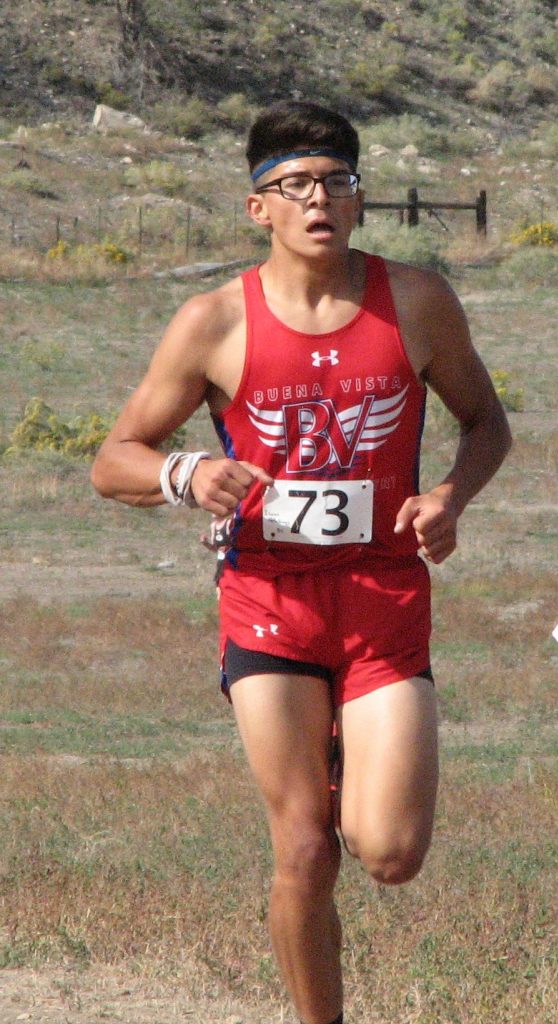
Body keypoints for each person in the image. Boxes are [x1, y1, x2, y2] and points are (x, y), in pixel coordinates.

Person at [91, 100, 512, 1024]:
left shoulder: (417, 301)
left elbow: (486, 422)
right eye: (294, 186)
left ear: (358, 199)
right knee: (305, 850)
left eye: (335, 182)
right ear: (258, 208)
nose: (318, 200)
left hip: (384, 599)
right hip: (269, 601)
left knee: (389, 853)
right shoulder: (212, 321)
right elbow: (112, 459)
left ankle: (349, 750)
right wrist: (184, 472)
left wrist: (448, 497)